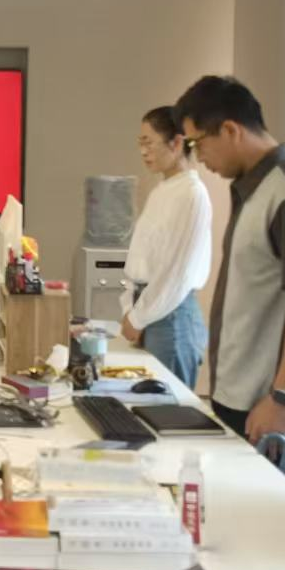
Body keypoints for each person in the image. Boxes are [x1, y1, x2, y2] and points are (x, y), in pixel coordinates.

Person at [175, 75, 285, 477]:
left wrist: (282, 397)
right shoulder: (252, 190)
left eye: (197, 144)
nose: (198, 158)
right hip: (239, 395)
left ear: (230, 130)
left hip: (269, 405)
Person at [118, 106, 213, 389]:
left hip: (171, 315)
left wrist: (137, 317)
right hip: (150, 308)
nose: (143, 152)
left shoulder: (192, 194)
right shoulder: (163, 190)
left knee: (167, 405)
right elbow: (140, 259)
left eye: (149, 143)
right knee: (145, 400)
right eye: (141, 143)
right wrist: (130, 308)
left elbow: (176, 273)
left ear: (176, 143)